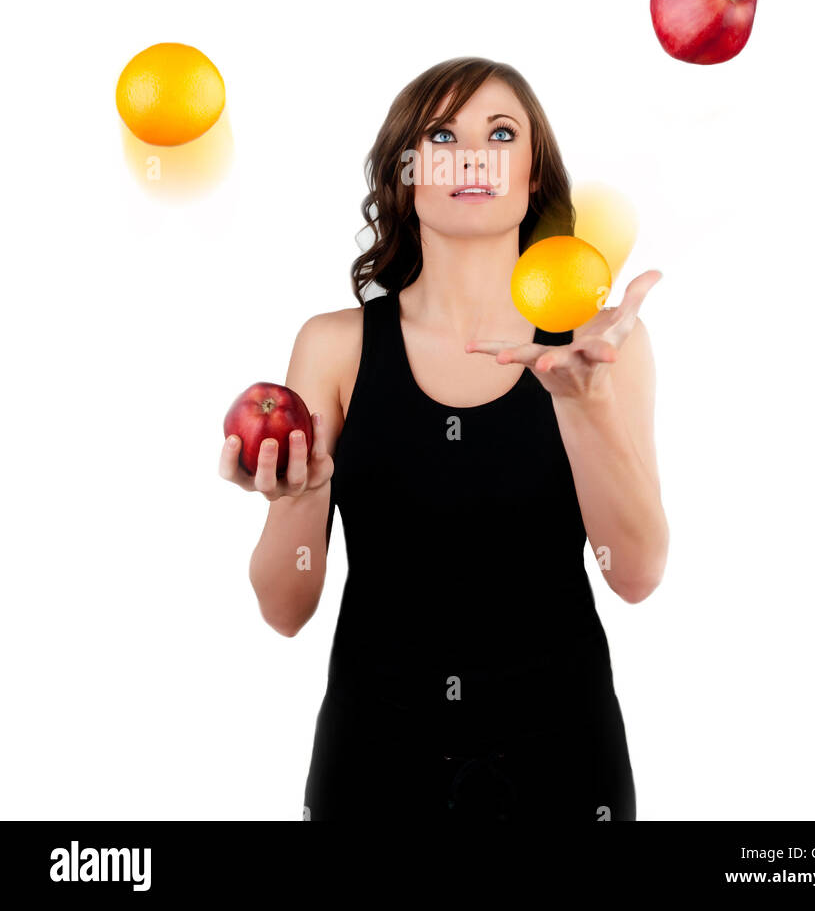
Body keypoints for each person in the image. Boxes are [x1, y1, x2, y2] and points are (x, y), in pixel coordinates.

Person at [220, 56, 668, 821]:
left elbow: (636, 574)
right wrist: (306, 493)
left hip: (566, 760)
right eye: (441, 133)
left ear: (532, 178)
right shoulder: (335, 347)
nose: (470, 155)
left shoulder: (600, 347)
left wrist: (583, 403)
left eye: (500, 133)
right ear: (407, 172)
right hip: (374, 764)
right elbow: (285, 609)